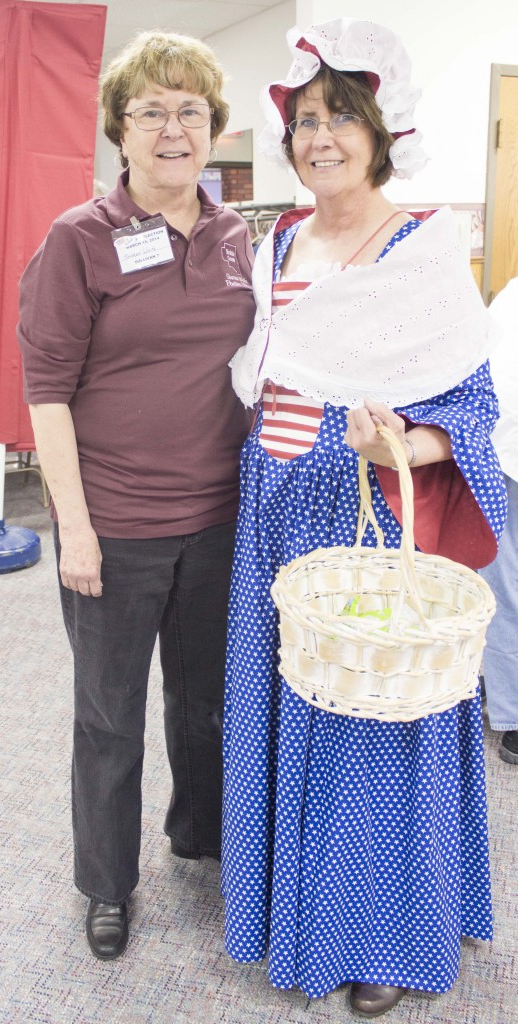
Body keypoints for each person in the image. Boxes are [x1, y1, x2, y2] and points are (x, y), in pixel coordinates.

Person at [222, 18, 506, 1018]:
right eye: (305, 119)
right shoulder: (279, 242)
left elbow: (472, 417)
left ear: (383, 133)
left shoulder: (422, 251)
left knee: (372, 724)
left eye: (343, 116)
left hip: (364, 520)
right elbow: (261, 376)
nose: (321, 136)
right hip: (272, 504)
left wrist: (396, 441)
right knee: (289, 704)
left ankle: (384, 931)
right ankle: (288, 908)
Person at [17, 31, 255, 960]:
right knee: (108, 714)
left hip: (220, 519)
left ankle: (198, 835)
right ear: (120, 128)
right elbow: (45, 393)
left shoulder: (239, 234)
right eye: (151, 109)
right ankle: (106, 883)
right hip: (112, 526)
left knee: (202, 704)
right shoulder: (80, 238)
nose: (172, 127)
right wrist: (72, 528)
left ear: (213, 128)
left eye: (190, 109)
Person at [480, 278, 518, 764]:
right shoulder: (512, 294)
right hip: (505, 452)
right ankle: (511, 708)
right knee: (501, 582)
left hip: (504, 448)